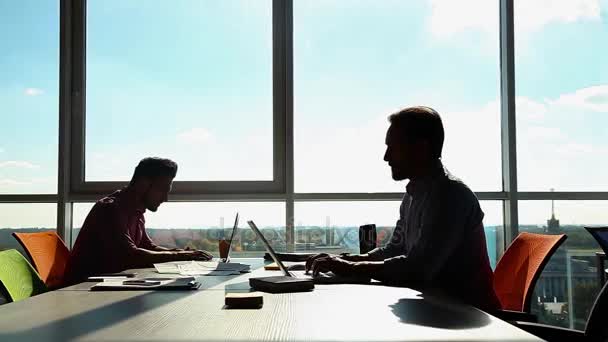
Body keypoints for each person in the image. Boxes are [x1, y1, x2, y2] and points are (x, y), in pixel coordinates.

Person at [305, 106, 500, 311]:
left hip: (467, 314)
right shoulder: (413, 195)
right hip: (437, 307)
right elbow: (394, 249)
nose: (386, 157)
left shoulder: (450, 195)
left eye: (393, 147)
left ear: (420, 148)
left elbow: (418, 269)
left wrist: (351, 267)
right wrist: (345, 261)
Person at [65, 157, 213, 284]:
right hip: (80, 290)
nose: (165, 198)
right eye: (162, 190)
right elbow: (131, 256)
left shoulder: (136, 211)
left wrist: (183, 253)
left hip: (108, 285)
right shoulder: (110, 209)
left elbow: (149, 247)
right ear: (143, 184)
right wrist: (182, 256)